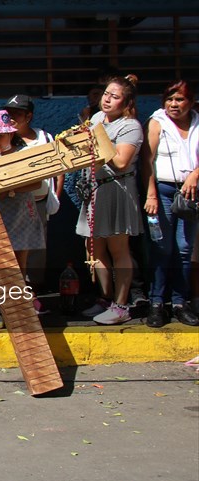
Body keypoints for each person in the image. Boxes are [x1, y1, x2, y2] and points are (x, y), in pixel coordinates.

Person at [77, 73, 144, 325]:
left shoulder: (130, 126)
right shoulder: (96, 118)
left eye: (115, 97)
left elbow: (120, 161)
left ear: (126, 104)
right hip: (94, 189)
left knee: (119, 249)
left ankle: (121, 304)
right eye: (106, 94)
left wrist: (95, 136)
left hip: (116, 190)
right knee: (94, 248)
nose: (107, 100)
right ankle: (104, 299)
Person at [139, 80, 199, 327]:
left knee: (184, 249)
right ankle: (156, 302)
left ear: (191, 102)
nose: (174, 104)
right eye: (170, 99)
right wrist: (150, 194)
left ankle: (178, 302)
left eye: (180, 99)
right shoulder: (157, 123)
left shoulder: (197, 122)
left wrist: (195, 175)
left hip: (191, 194)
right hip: (162, 192)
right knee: (162, 248)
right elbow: (146, 161)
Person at [0, 110, 45, 328]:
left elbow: (36, 183)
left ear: (10, 134)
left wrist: (7, 189)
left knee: (19, 262)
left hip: (21, 212)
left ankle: (17, 306)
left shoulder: (22, 153)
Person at [5, 95, 63, 297]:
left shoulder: (43, 138)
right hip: (12, 205)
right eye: (9, 113)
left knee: (36, 248)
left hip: (37, 203)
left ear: (28, 116)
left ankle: (33, 292)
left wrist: (55, 195)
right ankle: (13, 293)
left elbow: (59, 166)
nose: (11, 117)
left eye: (17, 113)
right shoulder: (5, 139)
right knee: (14, 250)